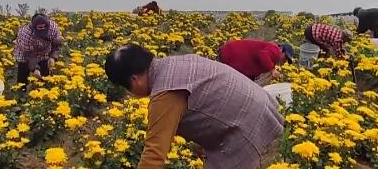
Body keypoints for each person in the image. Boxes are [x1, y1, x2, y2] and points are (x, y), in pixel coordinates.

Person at [104, 44, 284, 169]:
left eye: (125, 87)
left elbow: (154, 153)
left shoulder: (165, 94)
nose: (130, 93)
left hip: (246, 126)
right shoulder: (174, 64)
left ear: (134, 79)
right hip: (261, 105)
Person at [13, 13, 64, 91]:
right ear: (33, 28)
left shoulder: (53, 28)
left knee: (45, 73)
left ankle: (43, 93)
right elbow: (28, 54)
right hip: (26, 52)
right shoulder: (25, 33)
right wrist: (35, 69)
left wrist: (53, 57)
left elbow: (56, 45)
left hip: (44, 51)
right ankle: (20, 93)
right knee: (23, 71)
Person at [217, 40, 295, 86]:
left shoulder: (270, 60)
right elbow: (263, 54)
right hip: (230, 53)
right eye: (285, 58)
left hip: (229, 52)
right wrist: (272, 70)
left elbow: (253, 70)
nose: (284, 61)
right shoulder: (275, 51)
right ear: (282, 50)